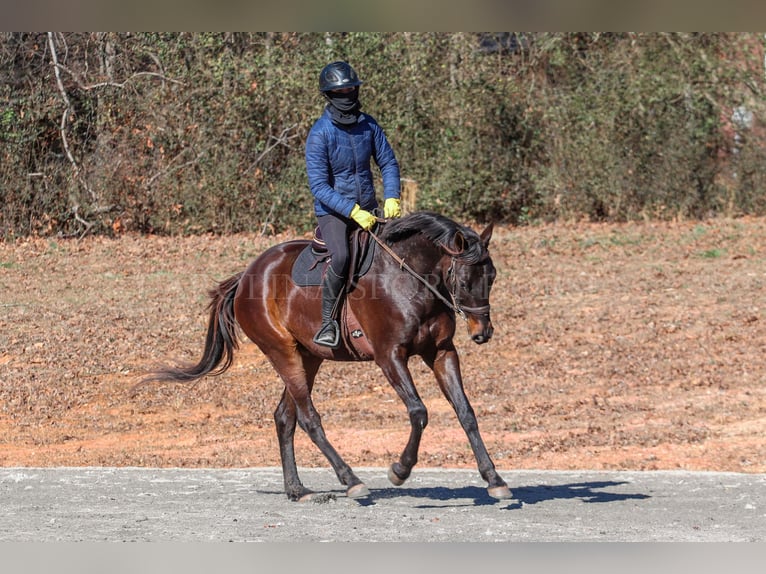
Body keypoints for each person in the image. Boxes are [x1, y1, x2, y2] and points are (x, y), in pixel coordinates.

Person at [305, 61, 402, 348]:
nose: (347, 94)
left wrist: (392, 196)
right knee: (343, 257)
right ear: (330, 95)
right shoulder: (319, 134)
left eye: (351, 88)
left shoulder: (369, 125)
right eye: (341, 90)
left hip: (370, 207)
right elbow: (319, 187)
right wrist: (352, 211)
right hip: (334, 213)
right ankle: (328, 323)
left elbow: (387, 162)